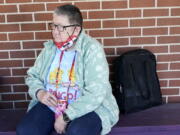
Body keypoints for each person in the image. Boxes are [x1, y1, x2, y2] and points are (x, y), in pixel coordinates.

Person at [16, 4, 119, 135]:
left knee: (78, 132)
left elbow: (96, 92)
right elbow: (32, 76)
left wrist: (66, 116)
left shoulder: (92, 49)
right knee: (26, 131)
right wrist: (40, 93)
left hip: (86, 107)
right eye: (53, 25)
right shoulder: (50, 49)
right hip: (52, 105)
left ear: (76, 30)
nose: (54, 31)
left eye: (61, 27)